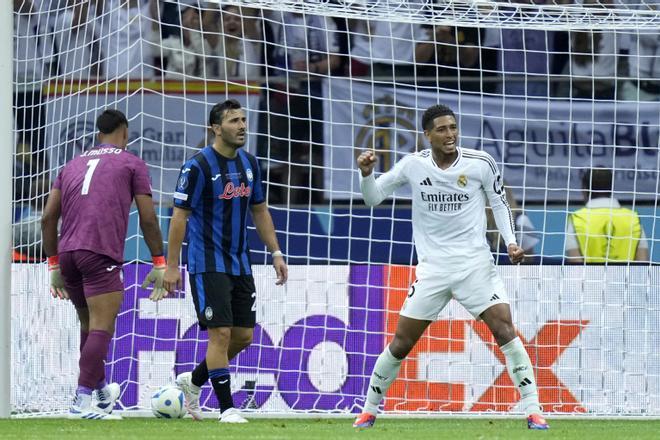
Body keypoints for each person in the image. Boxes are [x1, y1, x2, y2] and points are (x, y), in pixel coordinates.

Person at [353, 104, 548, 430]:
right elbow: (373, 198)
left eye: (453, 128)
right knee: (401, 343)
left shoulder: (480, 163)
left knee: (505, 329)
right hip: (433, 270)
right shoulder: (413, 166)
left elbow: (499, 203)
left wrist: (511, 241)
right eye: (442, 129)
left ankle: (533, 410)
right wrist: (366, 174)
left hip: (475, 265)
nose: (450, 135)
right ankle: (369, 410)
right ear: (427, 134)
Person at [163, 99, 288, 423]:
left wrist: (275, 252)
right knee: (219, 335)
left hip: (239, 262)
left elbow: (259, 210)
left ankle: (192, 382)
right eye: (234, 121)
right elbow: (179, 217)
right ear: (216, 128)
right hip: (207, 262)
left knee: (243, 337)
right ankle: (226, 408)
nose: (242, 126)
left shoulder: (250, 163)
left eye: (244, 120)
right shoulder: (198, 166)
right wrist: (172, 266)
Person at [41, 109, 168, 420]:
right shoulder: (131, 162)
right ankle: (80, 403)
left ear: (98, 133)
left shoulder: (71, 165)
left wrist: (54, 265)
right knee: (102, 327)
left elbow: (47, 218)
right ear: (124, 132)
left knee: (88, 326)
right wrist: (159, 261)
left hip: (68, 254)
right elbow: (148, 218)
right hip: (100, 253)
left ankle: (100, 395)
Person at [565, 168, 649, 263]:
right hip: (626, 277)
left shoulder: (577, 219)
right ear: (611, 188)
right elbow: (643, 262)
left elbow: (575, 264)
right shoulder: (633, 218)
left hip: (590, 277)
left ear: (584, 189)